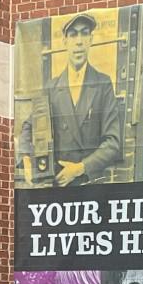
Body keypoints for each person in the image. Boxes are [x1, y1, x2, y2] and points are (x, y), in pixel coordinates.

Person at [48, 12, 124, 187]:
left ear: (91, 39)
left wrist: (79, 168)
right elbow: (29, 128)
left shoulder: (103, 83)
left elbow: (113, 143)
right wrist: (29, 160)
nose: (79, 41)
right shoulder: (52, 87)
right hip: (58, 185)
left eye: (84, 33)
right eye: (73, 34)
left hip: (90, 182)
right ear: (65, 42)